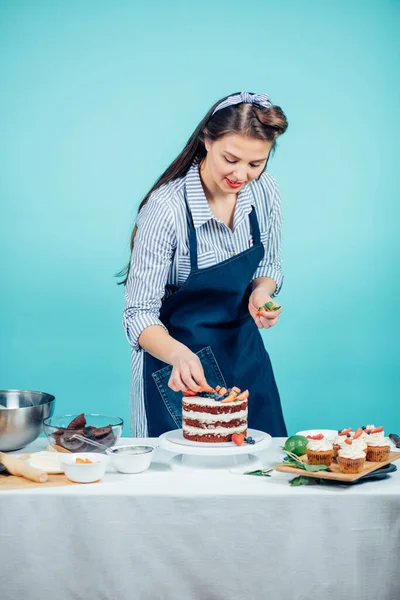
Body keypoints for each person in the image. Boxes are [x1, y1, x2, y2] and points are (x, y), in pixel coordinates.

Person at [121, 91, 288, 438]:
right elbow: (138, 313)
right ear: (206, 141)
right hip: (177, 369)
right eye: (231, 158)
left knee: (264, 480)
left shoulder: (265, 191)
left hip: (245, 357)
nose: (241, 175)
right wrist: (179, 356)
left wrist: (261, 293)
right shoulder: (166, 210)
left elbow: (269, 265)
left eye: (255, 164)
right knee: (184, 485)